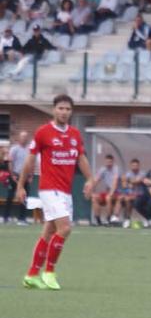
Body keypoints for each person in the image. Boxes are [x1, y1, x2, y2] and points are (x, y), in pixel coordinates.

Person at [17, 95, 95, 290]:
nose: (64, 112)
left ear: (71, 112)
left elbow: (81, 158)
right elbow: (30, 159)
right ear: (53, 110)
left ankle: (32, 275)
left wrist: (90, 179)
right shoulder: (44, 132)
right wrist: (20, 185)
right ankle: (49, 272)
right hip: (49, 189)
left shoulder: (75, 134)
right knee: (65, 228)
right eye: (60, 108)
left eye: (68, 109)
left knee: (48, 232)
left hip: (65, 191)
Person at [90, 153, 120, 226]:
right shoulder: (103, 169)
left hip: (116, 192)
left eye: (110, 162)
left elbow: (115, 182)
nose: (108, 163)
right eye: (107, 162)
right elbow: (96, 180)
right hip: (107, 192)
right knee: (94, 198)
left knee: (108, 198)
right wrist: (90, 190)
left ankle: (108, 219)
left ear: (113, 162)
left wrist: (111, 193)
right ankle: (98, 220)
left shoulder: (116, 169)